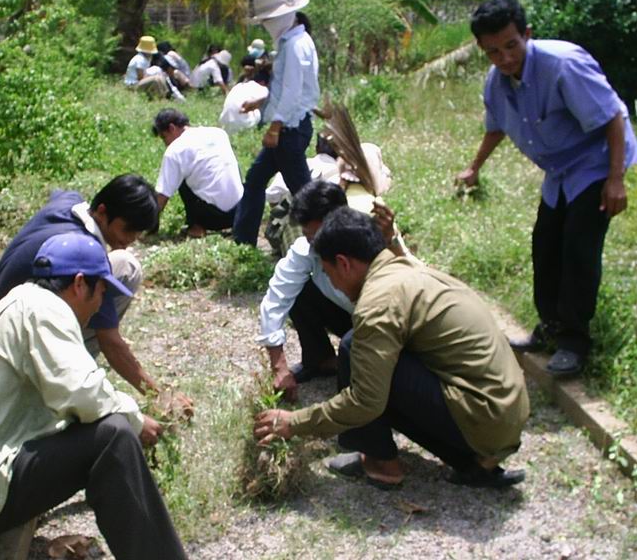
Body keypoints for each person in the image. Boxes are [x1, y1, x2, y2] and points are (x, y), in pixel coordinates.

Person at [0, 232, 187, 558]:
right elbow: (83, 393)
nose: (100, 304)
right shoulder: (46, 310)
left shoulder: (21, 303)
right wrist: (136, 420)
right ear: (80, 284)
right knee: (114, 435)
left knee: (101, 426)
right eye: (102, 291)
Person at [254, 208, 530, 489]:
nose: (332, 284)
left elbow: (365, 402)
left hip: (485, 417)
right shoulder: (405, 269)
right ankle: (472, 462)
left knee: (353, 348)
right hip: (504, 414)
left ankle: (380, 463)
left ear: (344, 264)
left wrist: (295, 422)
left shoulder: (378, 302)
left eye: (328, 272)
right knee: (375, 359)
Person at [456, 0, 637, 376]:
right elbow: (496, 128)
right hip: (559, 173)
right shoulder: (496, 82)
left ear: (527, 34)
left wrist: (615, 179)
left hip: (596, 161)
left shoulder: (563, 64)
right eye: (494, 52)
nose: (505, 57)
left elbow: (612, 117)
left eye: (511, 45)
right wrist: (474, 168)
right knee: (545, 244)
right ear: (482, 49)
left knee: (578, 246)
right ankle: (551, 326)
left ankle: (574, 341)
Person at [0, 175, 193, 428]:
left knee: (125, 265)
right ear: (102, 211)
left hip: (5, 310)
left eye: (138, 233)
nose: (131, 239)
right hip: (21, 337)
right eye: (127, 230)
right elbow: (110, 341)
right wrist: (159, 395)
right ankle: (70, 369)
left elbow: (58, 191)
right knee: (125, 271)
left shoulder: (70, 203)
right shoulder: (83, 249)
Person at [259, 181, 404, 402]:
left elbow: (408, 285)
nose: (312, 242)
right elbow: (276, 298)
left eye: (315, 235)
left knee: (352, 352)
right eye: (307, 235)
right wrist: (279, 367)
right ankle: (321, 359)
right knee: (300, 289)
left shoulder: (372, 239)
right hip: (349, 317)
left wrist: (392, 243)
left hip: (381, 325)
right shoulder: (308, 249)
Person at [233, 0, 320, 245]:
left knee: (304, 194)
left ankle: (327, 238)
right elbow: (287, 89)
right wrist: (261, 102)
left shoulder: (294, 45)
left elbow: (292, 93)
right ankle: (243, 240)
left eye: (267, 20)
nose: (265, 25)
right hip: (289, 127)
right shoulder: (293, 42)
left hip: (289, 130)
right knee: (256, 180)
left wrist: (274, 128)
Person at [152, 108, 243, 237]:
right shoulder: (218, 133)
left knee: (180, 176)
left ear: (172, 128)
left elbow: (163, 195)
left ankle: (197, 227)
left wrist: (147, 224)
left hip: (213, 218)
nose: (165, 144)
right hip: (239, 211)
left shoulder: (175, 150)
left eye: (164, 137)